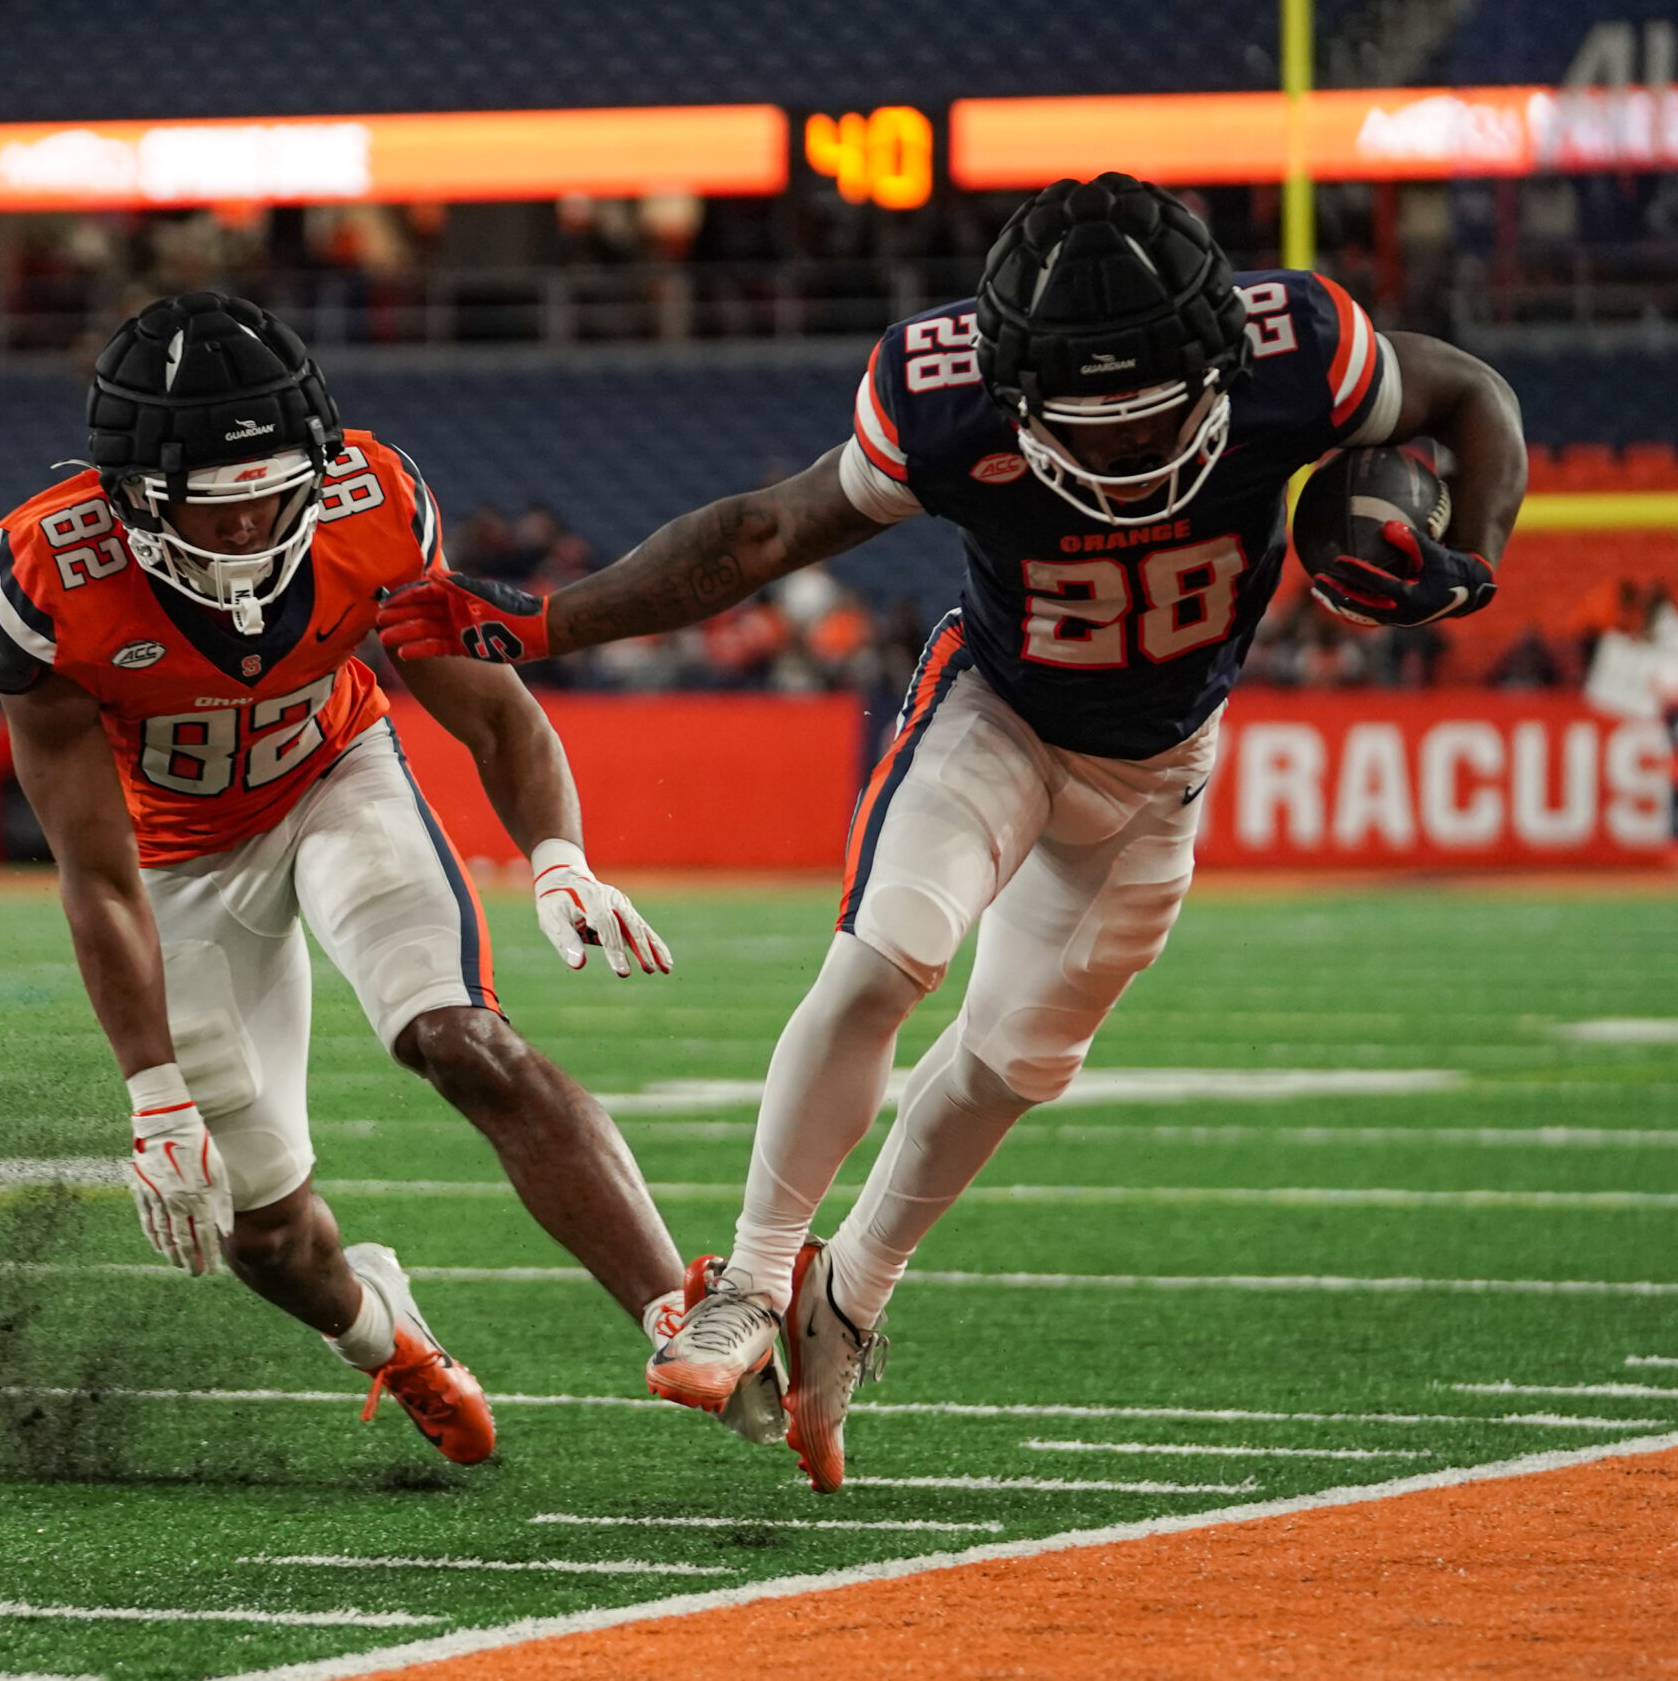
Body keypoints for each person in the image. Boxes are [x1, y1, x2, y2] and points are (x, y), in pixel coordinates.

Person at [381, 173, 1526, 1490]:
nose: (1117, 456)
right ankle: (750, 1279)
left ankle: (847, 1301)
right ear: (1015, 390)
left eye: (1148, 417)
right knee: (882, 959)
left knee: (1014, 1063)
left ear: (1216, 366)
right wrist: (556, 619)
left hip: (1161, 768)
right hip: (998, 715)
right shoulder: (942, 396)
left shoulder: (1303, 351)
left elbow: (1472, 393)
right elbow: (763, 529)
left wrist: (1471, 550)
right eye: (1082, 426)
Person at [0, 292, 711, 1465]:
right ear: (135, 496)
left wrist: (558, 861)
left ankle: (684, 1315)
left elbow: (494, 713)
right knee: (258, 1231)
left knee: (464, 1041)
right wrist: (151, 1091)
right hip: (173, 862)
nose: (253, 525)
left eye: (273, 491)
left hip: (334, 778)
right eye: (220, 503)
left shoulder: (373, 503)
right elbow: (94, 875)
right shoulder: (42, 579)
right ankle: (388, 1341)